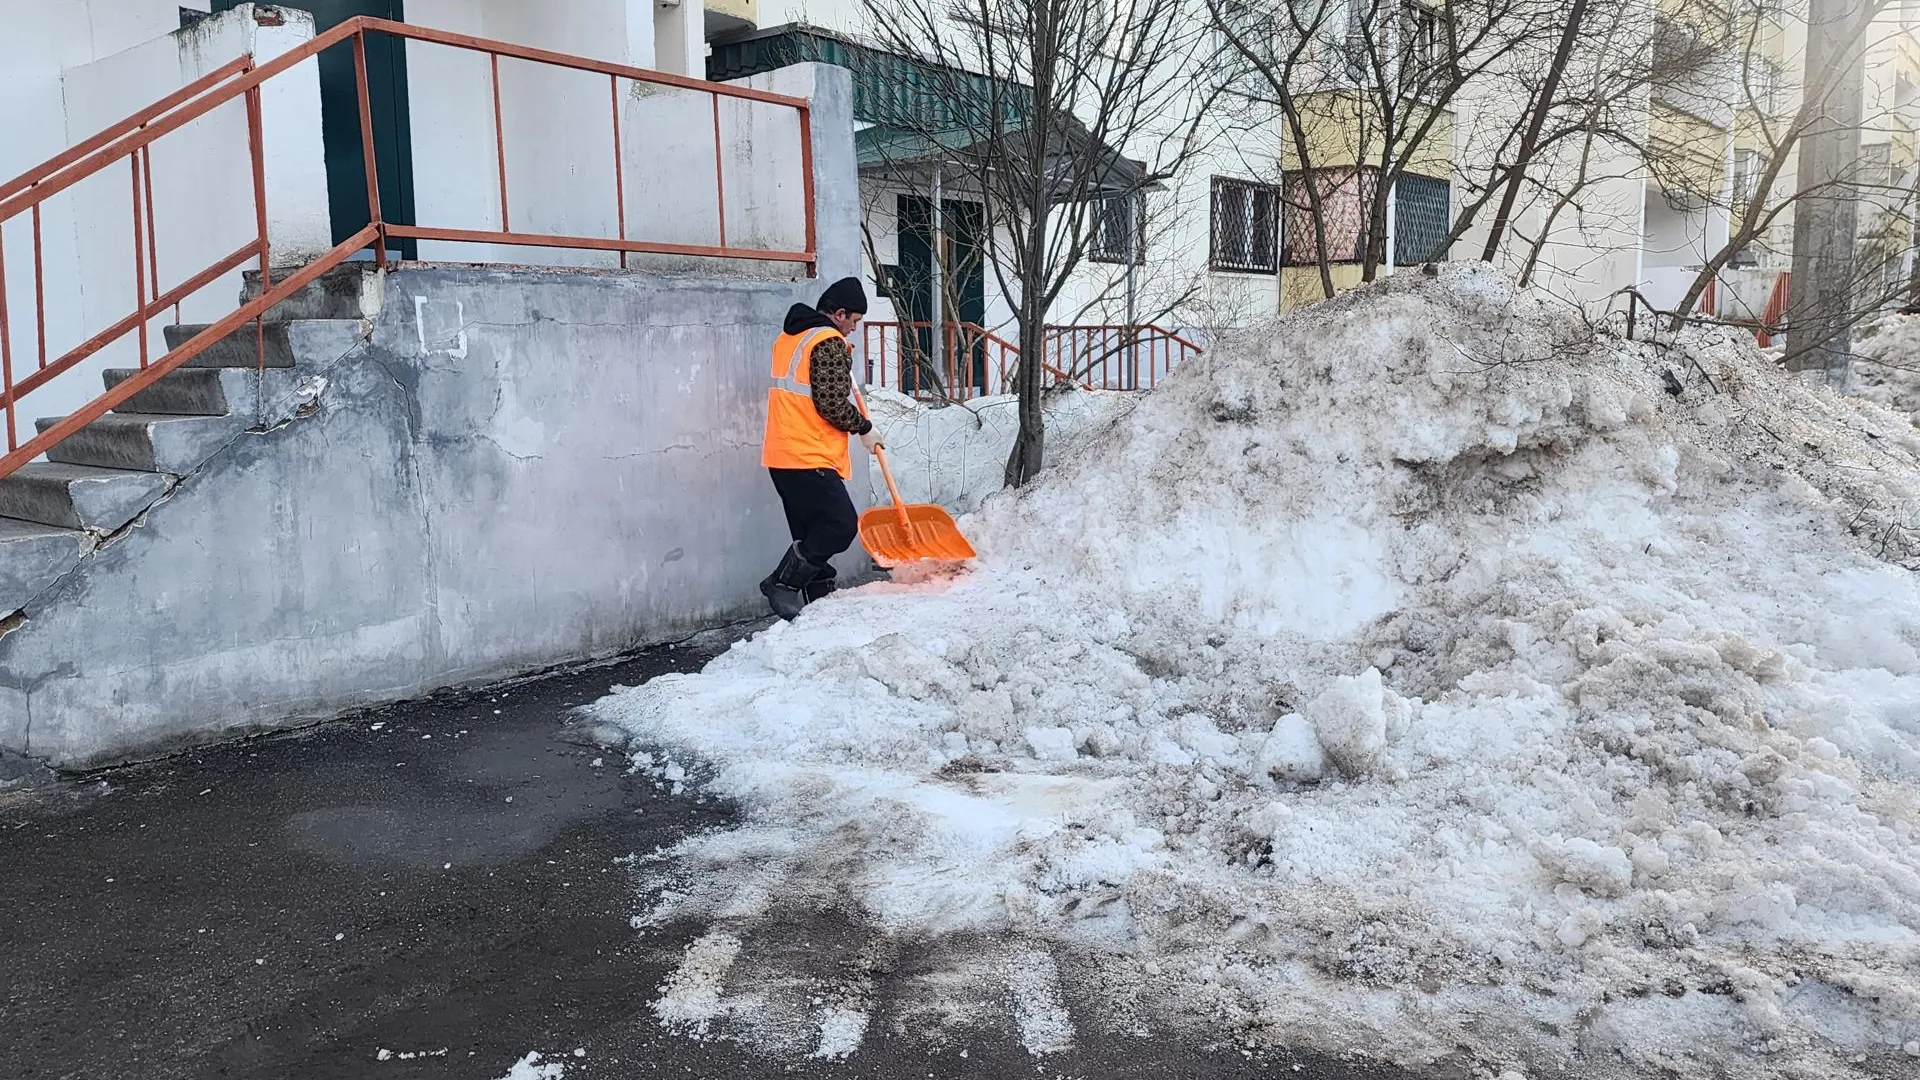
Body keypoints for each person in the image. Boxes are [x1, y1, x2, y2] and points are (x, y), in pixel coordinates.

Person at [759, 276, 884, 620]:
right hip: (807, 453)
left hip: (782, 453)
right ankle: (781, 584)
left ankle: (818, 605)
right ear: (839, 314)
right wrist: (864, 427)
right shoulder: (827, 342)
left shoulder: (791, 337)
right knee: (840, 526)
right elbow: (829, 403)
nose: (854, 329)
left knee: (810, 533)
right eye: (855, 321)